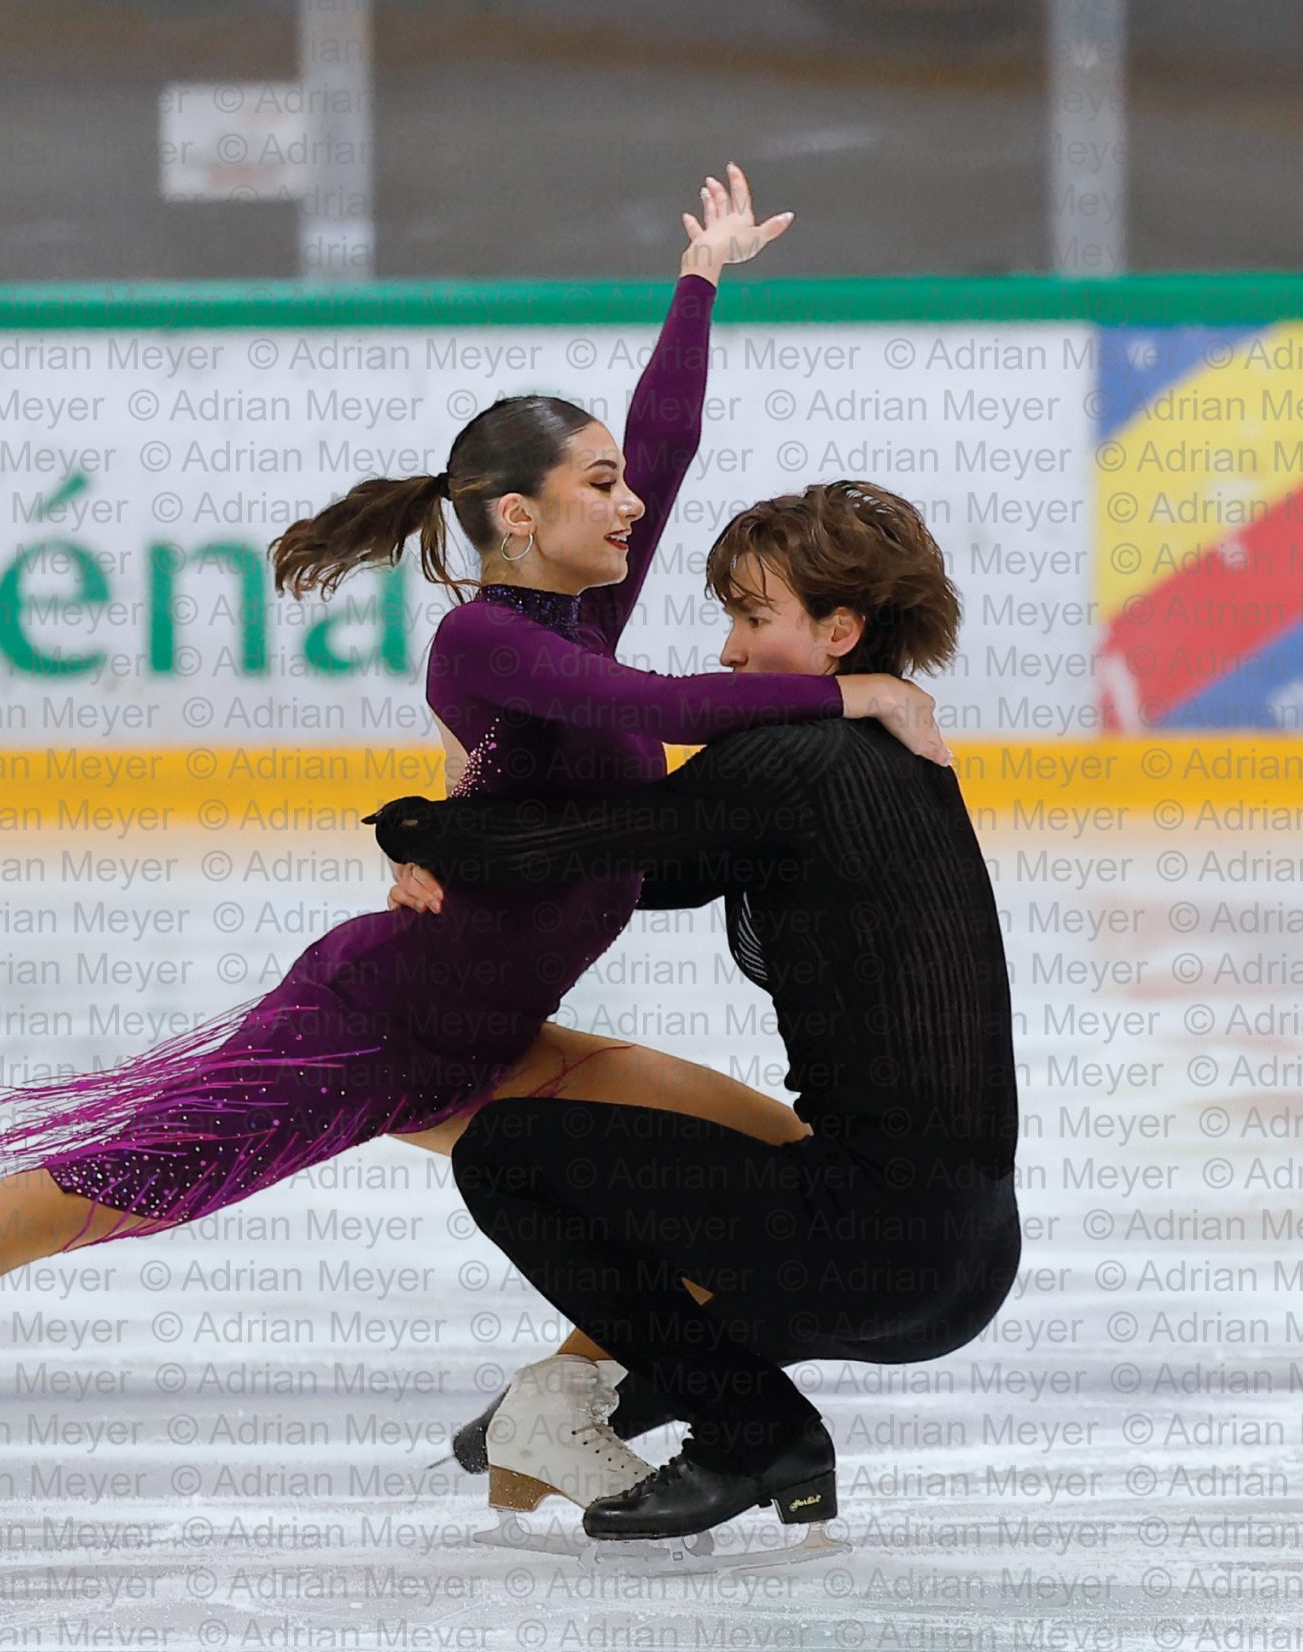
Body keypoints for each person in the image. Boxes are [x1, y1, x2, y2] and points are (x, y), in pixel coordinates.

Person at [0, 167, 951, 1439]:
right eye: (601, 485)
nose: (633, 502)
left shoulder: (580, 616)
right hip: (377, 1026)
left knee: (769, 1179)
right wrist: (857, 691)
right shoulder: (488, 642)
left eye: (622, 485)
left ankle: (555, 1418)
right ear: (519, 515)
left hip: (503, 1041)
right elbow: (662, 708)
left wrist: (699, 280)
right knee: (122, 1185)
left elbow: (667, 443)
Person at [370, 480, 1022, 1549]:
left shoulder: (796, 756)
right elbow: (649, 869)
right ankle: (572, 1409)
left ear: (839, 632)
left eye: (753, 618)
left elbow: (580, 852)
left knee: (505, 1154)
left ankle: (760, 1435)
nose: (728, 650)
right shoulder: (885, 759)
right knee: (697, 1216)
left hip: (867, 1243)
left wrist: (416, 829)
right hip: (967, 1259)